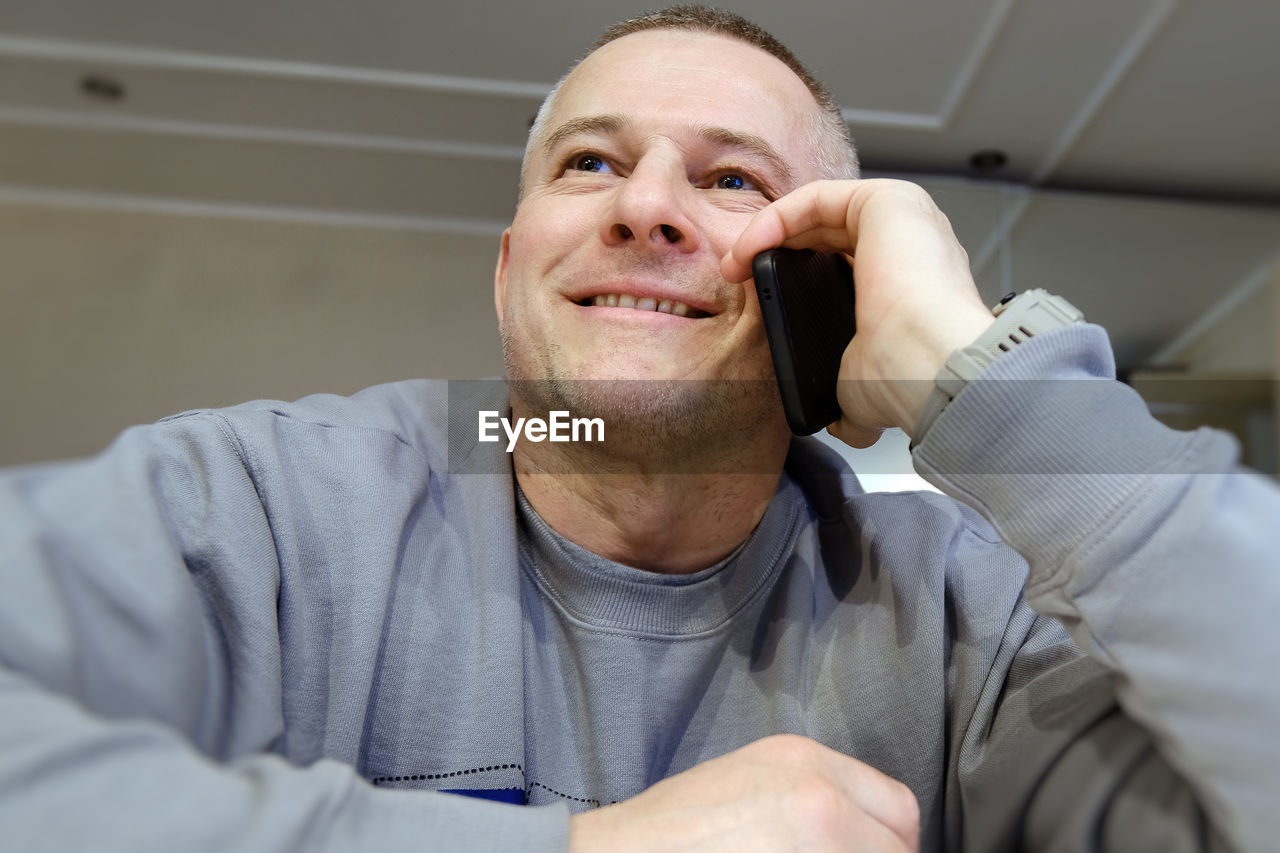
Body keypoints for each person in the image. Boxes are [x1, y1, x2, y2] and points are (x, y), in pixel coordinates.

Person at [1, 6, 1276, 851]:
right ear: (513, 270)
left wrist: (991, 390)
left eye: (730, 180)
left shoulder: (962, 617)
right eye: (589, 165)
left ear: (822, 290)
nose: (644, 209)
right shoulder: (259, 505)